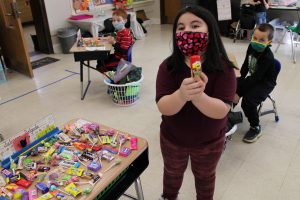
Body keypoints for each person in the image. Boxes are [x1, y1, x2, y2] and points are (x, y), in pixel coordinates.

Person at [155, 6, 236, 200]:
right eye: (181, 27)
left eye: (195, 25)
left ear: (210, 31)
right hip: (172, 139)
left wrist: (199, 97)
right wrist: (182, 95)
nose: (187, 31)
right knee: (172, 174)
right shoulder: (168, 67)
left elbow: (222, 110)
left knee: (205, 178)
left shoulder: (224, 68)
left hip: (209, 141)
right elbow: (163, 106)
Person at [234, 23, 276, 143]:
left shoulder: (268, 57)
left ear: (269, 42)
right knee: (232, 87)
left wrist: (239, 92)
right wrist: (238, 80)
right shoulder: (251, 47)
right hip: (255, 78)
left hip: (265, 83)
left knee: (248, 102)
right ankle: (225, 115)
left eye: (262, 40)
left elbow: (256, 78)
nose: (256, 41)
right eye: (255, 38)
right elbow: (245, 66)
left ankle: (256, 127)